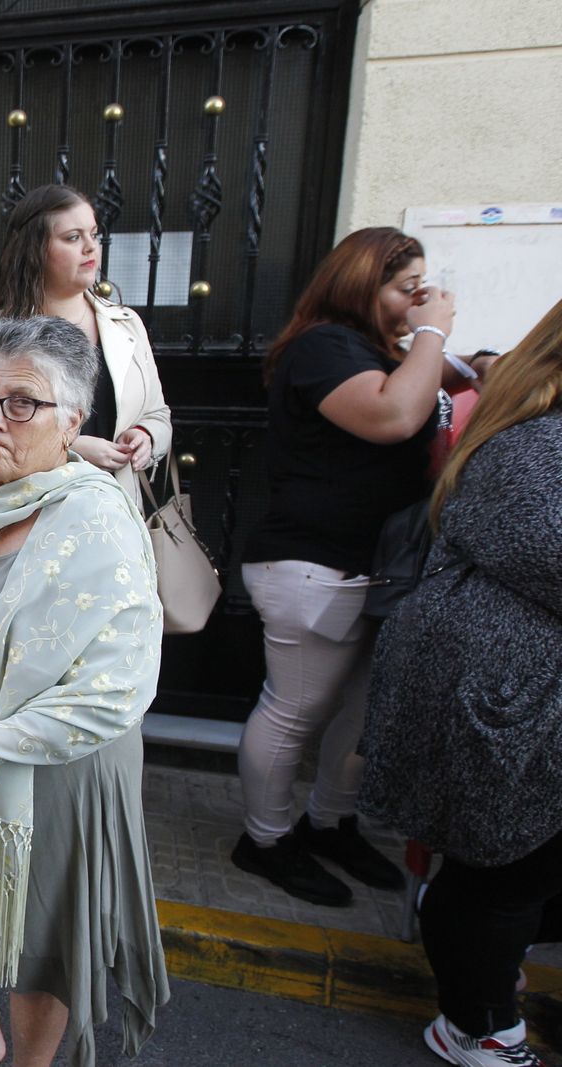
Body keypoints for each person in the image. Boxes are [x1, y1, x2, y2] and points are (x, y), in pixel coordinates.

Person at [0, 314, 168, 1067]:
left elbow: (110, 693)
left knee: (40, 932)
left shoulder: (97, 523)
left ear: (73, 422)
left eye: (22, 403)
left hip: (52, 767)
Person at [233, 227, 471, 907]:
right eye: (406, 288)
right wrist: (433, 333)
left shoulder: (377, 350)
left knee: (363, 711)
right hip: (315, 564)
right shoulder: (322, 347)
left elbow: (433, 389)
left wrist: (452, 354)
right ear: (362, 286)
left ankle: (329, 822)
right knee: (295, 711)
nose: (420, 300)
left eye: (424, 288)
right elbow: (392, 415)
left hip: (378, 567)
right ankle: (264, 839)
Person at [359, 299, 562, 1067]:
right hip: (502, 696)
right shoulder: (532, 443)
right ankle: (477, 1022)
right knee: (500, 872)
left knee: (514, 874)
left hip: (518, 692)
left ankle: (490, 979)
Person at [0, 185, 171, 505]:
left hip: (113, 509)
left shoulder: (125, 324)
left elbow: (158, 413)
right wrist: (68, 447)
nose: (90, 247)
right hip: (24, 513)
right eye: (73, 238)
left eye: (94, 234)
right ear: (35, 249)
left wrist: (147, 436)